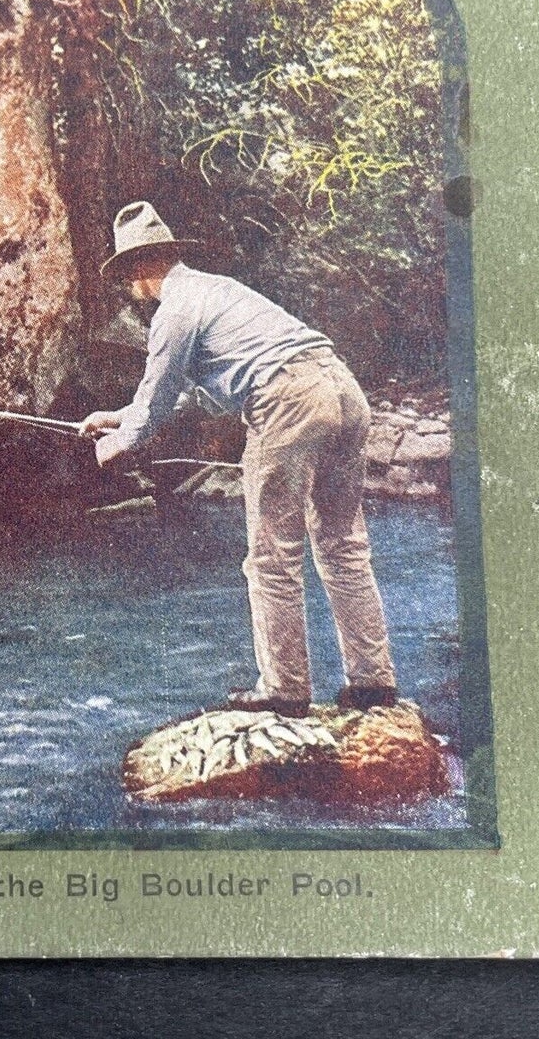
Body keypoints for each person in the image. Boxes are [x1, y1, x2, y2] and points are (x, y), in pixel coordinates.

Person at [78, 202, 398, 716]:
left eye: (126, 275)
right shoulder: (220, 289)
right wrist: (117, 416)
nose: (128, 288)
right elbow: (189, 394)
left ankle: (285, 690)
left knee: (271, 556)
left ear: (138, 268)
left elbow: (156, 402)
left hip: (287, 402)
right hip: (343, 391)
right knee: (342, 546)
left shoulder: (173, 310)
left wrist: (117, 443)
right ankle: (374, 685)